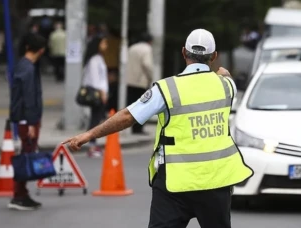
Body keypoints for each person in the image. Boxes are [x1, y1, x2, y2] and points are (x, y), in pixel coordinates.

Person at [63, 28, 254, 228]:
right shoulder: (226, 86)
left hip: (174, 182)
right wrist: (222, 73)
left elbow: (128, 116)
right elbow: (226, 75)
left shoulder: (167, 89)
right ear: (214, 56)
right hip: (217, 182)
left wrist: (90, 134)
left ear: (183, 53)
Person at [8, 33, 46, 210]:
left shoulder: (23, 65)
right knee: (26, 156)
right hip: (27, 120)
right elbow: (29, 97)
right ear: (41, 50)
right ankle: (19, 196)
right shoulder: (29, 69)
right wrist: (31, 122)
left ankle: (22, 194)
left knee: (26, 154)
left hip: (24, 119)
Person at [81, 35, 109, 158]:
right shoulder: (94, 60)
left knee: (97, 118)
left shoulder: (99, 58)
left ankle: (93, 143)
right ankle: (91, 145)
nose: (106, 46)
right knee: (95, 119)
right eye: (103, 43)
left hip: (100, 92)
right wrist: (102, 93)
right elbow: (95, 79)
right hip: (97, 93)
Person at [125, 32, 153, 134]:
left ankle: (132, 127)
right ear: (150, 41)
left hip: (129, 81)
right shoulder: (147, 49)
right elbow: (147, 64)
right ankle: (138, 128)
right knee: (142, 106)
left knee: (132, 105)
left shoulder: (132, 48)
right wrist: (150, 76)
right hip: (141, 82)